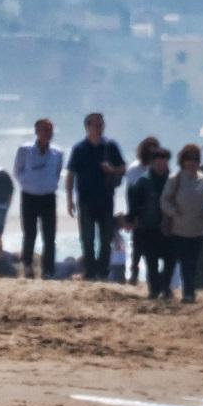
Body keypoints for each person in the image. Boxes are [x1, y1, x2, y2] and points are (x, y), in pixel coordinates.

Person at [66, 112, 126, 282]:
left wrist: (112, 170)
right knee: (87, 237)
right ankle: (90, 271)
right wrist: (69, 199)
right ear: (88, 127)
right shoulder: (79, 148)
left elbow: (123, 168)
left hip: (106, 199)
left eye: (101, 125)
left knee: (106, 237)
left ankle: (103, 271)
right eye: (96, 125)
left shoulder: (110, 146)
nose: (99, 128)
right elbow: (71, 174)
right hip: (85, 200)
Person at [159, 142, 203, 305]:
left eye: (195, 159)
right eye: (188, 159)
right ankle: (165, 289)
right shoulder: (175, 179)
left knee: (190, 264)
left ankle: (189, 293)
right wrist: (173, 212)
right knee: (172, 262)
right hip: (177, 229)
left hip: (197, 230)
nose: (192, 162)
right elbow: (164, 200)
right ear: (182, 161)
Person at [13, 119, 64, 281]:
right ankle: (27, 265)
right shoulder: (25, 150)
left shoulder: (57, 152)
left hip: (48, 197)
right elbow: (17, 171)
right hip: (29, 196)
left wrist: (48, 184)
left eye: (50, 130)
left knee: (49, 235)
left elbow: (57, 172)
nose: (47, 133)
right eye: (44, 130)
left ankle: (48, 269)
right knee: (30, 233)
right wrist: (29, 182)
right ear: (37, 131)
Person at [127, 140, 172, 300]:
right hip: (147, 228)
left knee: (169, 261)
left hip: (169, 228)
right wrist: (131, 219)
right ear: (152, 163)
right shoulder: (143, 181)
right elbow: (134, 203)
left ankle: (165, 287)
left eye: (164, 162)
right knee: (151, 262)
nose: (161, 166)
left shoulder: (173, 181)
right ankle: (154, 289)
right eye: (158, 162)